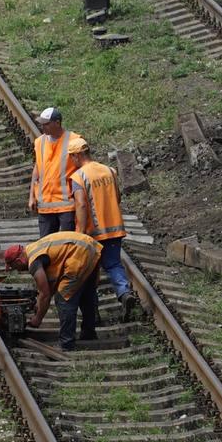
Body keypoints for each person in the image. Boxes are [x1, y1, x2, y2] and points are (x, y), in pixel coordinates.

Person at [69, 137, 140, 320]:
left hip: (92, 233)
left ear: (77, 155)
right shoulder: (109, 171)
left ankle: (93, 312)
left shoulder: (78, 177)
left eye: (71, 157)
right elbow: (117, 197)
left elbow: (81, 205)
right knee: (114, 264)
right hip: (114, 229)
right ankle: (124, 292)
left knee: (89, 273)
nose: (71, 161)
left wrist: (80, 233)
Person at [2, 232, 102, 351]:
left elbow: (45, 294)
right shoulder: (33, 249)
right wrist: (39, 303)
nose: (17, 270)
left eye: (14, 267)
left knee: (63, 298)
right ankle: (89, 334)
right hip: (89, 246)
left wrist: (38, 319)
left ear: (19, 261)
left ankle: (67, 343)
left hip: (79, 253)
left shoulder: (33, 262)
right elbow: (49, 285)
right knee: (86, 295)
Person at [28, 108, 83, 237]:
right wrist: (31, 196)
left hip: (67, 205)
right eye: (41, 124)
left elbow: (83, 168)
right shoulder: (39, 142)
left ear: (57, 123)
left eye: (46, 124)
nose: (42, 127)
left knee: (67, 243)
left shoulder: (74, 140)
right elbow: (37, 169)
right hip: (45, 205)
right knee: (46, 244)